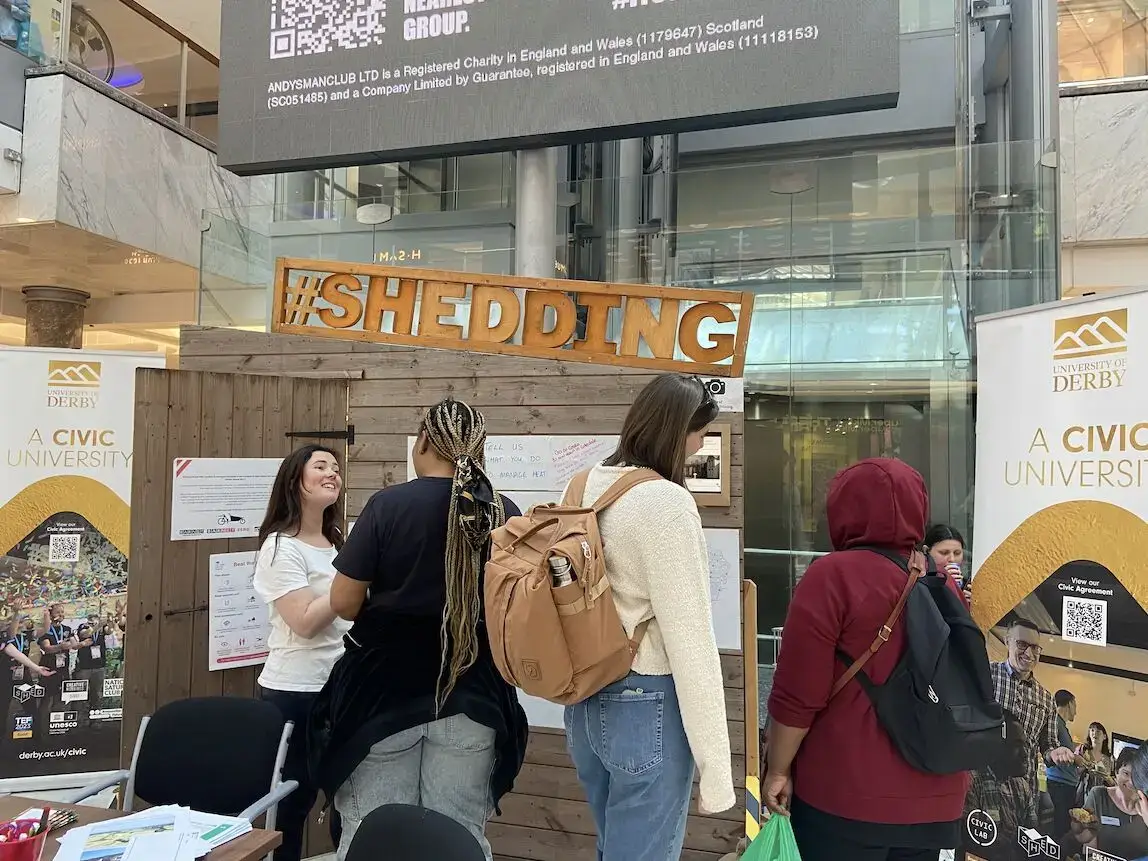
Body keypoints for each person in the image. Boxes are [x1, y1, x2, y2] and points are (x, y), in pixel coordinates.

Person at [310, 398, 528, 861]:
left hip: (382, 697)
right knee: (460, 837)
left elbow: (344, 603)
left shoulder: (389, 505)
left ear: (425, 441)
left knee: (373, 835)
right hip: (473, 694)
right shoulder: (503, 511)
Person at [562, 373, 734, 861]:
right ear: (678, 432)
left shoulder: (583, 484)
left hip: (585, 700)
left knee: (614, 847)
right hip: (645, 702)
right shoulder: (665, 503)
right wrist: (717, 771)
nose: (700, 445)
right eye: (699, 433)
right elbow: (691, 641)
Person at [765, 458, 969, 861]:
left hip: (844, 799)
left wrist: (778, 769)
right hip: (935, 799)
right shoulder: (941, 582)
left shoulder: (830, 577)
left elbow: (797, 696)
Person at [252, 445, 351, 861]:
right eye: (321, 466)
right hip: (295, 691)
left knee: (348, 800)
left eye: (336, 467)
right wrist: (354, 582)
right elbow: (305, 622)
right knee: (291, 804)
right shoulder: (280, 548)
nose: (333, 473)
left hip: (341, 687)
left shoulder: (337, 542)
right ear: (296, 481)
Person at [1069, 747, 1148, 860]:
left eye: (1136, 776)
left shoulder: (1146, 807)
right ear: (1116, 772)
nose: (1131, 781)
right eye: (1126, 773)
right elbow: (1089, 849)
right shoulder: (1098, 796)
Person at [1045, 690, 1080, 841]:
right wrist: (1077, 759)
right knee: (1061, 829)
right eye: (1075, 706)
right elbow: (1054, 753)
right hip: (1060, 785)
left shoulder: (1061, 725)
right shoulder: (1055, 723)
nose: (1076, 712)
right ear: (1070, 703)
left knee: (1063, 826)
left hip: (1065, 785)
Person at [925, 523, 970, 603]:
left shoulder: (968, 586)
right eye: (944, 553)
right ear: (926, 551)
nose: (952, 559)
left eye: (957, 553)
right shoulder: (920, 584)